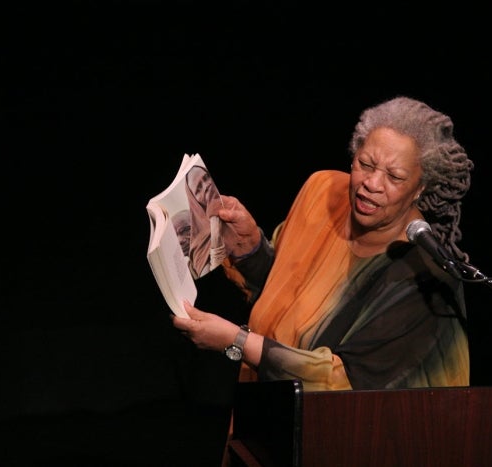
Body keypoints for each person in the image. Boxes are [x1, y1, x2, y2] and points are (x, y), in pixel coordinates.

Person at [172, 96, 474, 392]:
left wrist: (236, 341)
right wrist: (249, 248)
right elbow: (285, 300)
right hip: (267, 410)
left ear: (419, 188)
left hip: (356, 431)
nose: (372, 183)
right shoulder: (323, 191)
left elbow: (345, 381)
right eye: (365, 164)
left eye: (394, 177)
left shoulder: (423, 273)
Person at [185, 164, 228, 278]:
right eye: (198, 189)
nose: (207, 185)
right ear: (195, 203)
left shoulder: (231, 202)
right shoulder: (199, 243)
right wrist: (216, 239)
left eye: (206, 177)